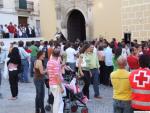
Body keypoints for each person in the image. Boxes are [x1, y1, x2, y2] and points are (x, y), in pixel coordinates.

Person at [47, 48, 64, 113]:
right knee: (58, 102)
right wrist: (61, 87)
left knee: (59, 101)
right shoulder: (56, 63)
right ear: (59, 55)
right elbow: (57, 76)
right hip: (56, 84)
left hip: (51, 83)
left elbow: (49, 72)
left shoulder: (49, 62)